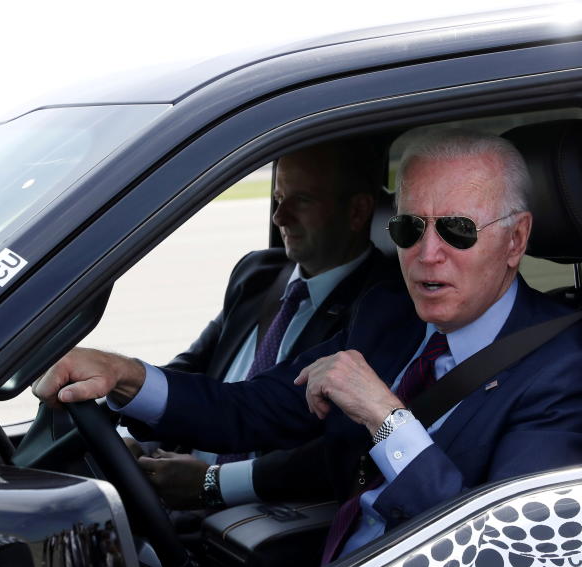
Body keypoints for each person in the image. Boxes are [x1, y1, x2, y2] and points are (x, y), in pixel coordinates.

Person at [34, 130, 582, 562]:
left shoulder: (565, 373)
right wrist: (124, 375)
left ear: (515, 240)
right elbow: (251, 407)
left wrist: (385, 419)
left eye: (458, 230)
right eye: (410, 228)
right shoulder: (389, 316)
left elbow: (509, 560)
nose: (427, 254)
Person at [123, 140, 396, 510]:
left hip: (259, 514)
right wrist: (130, 424)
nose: (279, 217)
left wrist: (209, 481)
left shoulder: (380, 307)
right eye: (278, 197)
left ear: (358, 211)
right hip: (177, 483)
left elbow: (324, 447)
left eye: (301, 200)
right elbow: (194, 366)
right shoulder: (257, 274)